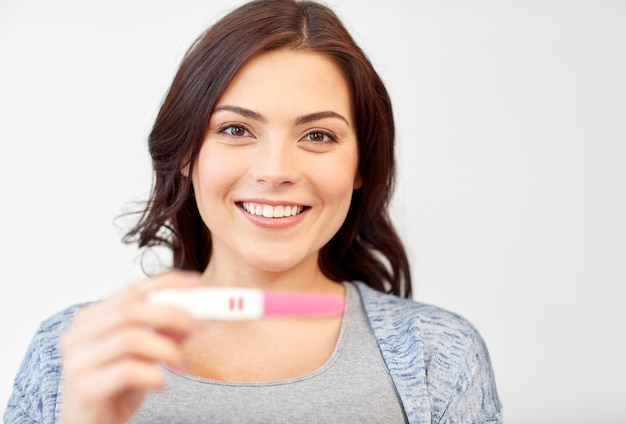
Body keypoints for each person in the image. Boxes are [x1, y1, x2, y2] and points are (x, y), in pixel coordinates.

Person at [4, 0, 502, 422]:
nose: (275, 169)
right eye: (236, 129)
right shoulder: (68, 352)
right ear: (185, 154)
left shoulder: (439, 355)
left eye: (318, 135)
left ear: (360, 166)